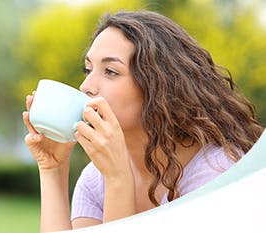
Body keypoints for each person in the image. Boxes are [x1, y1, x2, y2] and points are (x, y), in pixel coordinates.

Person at [22, 10, 264, 232]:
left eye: (110, 72)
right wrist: (53, 169)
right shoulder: (95, 179)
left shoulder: (218, 174)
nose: (86, 86)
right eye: (88, 70)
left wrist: (119, 180)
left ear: (158, 86)